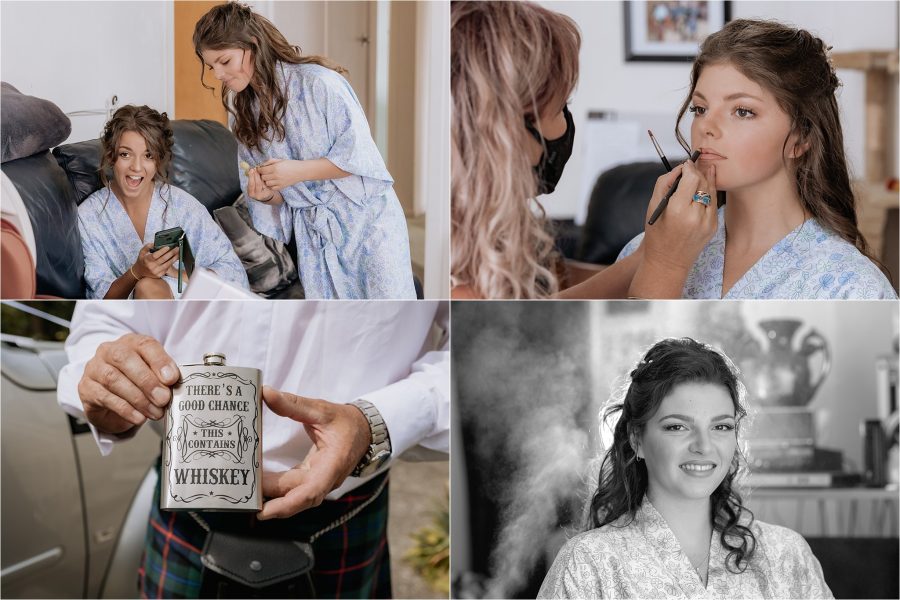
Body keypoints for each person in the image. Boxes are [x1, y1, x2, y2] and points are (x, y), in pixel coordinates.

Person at [57, 300, 449, 597]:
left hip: (343, 513)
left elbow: (482, 342)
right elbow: (104, 317)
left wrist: (375, 422)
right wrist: (110, 382)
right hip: (187, 509)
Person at [451, 0, 718, 300]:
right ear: (506, 129)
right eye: (561, 106)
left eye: (743, 111)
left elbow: (537, 312)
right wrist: (665, 263)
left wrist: (646, 253)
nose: (709, 127)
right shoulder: (459, 283)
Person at [618, 19, 897, 299]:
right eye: (700, 108)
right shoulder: (645, 251)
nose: (706, 126)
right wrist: (657, 259)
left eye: (742, 111)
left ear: (801, 137)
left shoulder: (855, 288)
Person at [538, 338, 832, 599]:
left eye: (721, 426)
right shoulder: (587, 563)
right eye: (677, 426)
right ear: (636, 439)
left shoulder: (786, 554)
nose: (703, 445)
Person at [192, 2, 415, 299]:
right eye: (211, 66)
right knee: (336, 334)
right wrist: (268, 195)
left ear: (253, 45)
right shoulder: (247, 114)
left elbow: (361, 158)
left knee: (392, 326)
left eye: (224, 61)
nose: (218, 74)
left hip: (367, 226)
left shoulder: (320, 84)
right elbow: (279, 193)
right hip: (315, 240)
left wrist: (296, 172)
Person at [78, 105, 249, 299]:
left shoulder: (182, 205)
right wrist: (136, 272)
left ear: (158, 161)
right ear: (111, 155)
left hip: (194, 302)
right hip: (138, 315)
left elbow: (233, 272)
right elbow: (101, 299)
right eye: (126, 154)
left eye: (148, 156)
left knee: (150, 285)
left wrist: (175, 274)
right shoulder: (88, 217)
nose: (136, 167)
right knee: (147, 285)